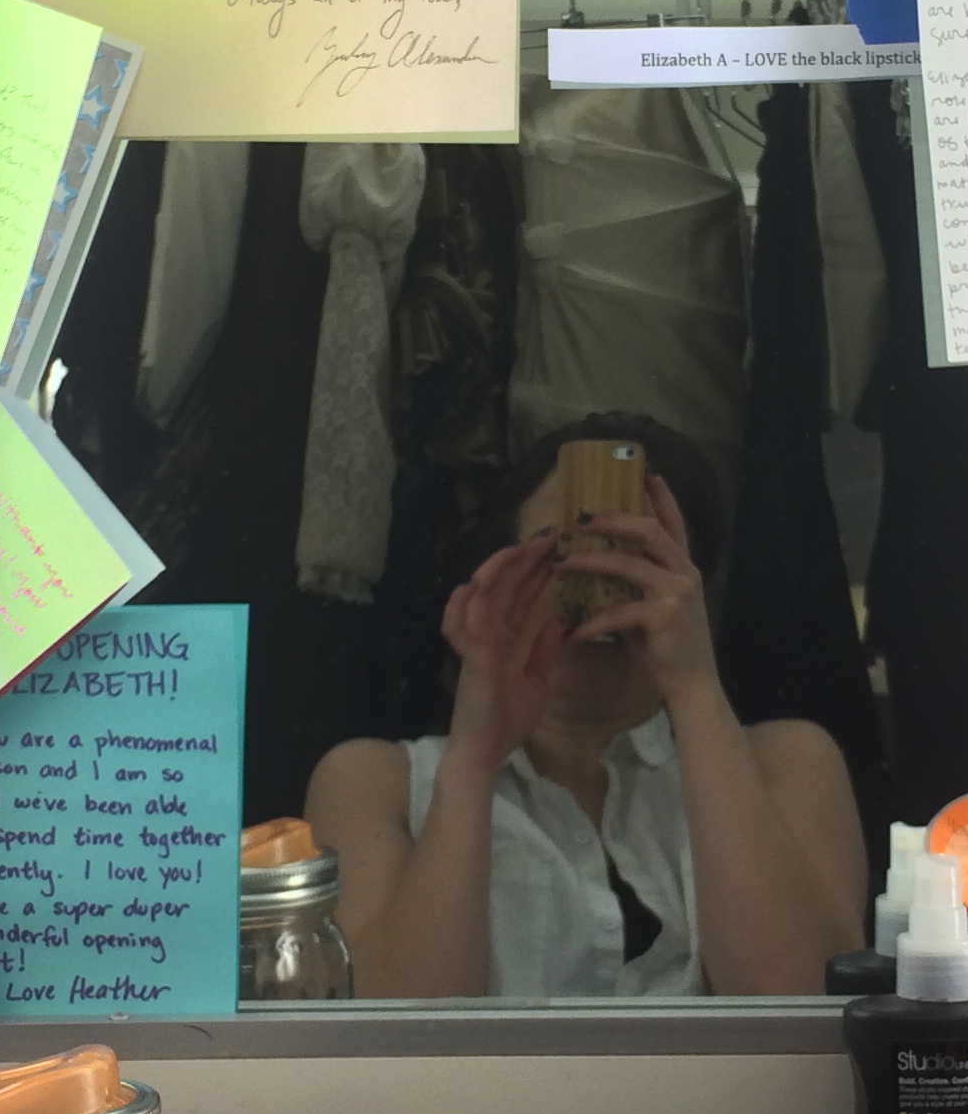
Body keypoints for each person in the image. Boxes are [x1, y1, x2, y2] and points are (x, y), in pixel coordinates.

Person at [306, 411, 867, 999]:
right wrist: (473, 757)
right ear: (495, 576)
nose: (598, 585)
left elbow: (800, 1002)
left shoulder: (785, 762)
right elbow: (393, 1029)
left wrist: (695, 687)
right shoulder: (374, 780)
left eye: (639, 559)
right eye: (562, 554)